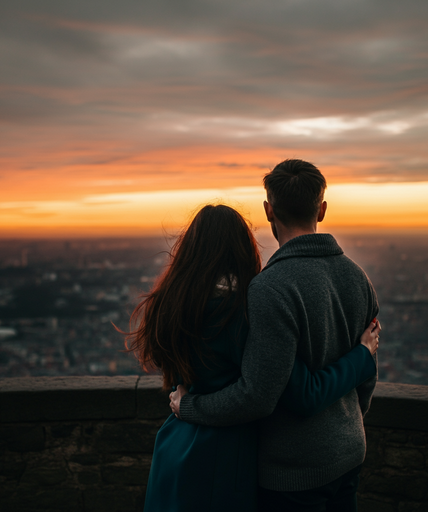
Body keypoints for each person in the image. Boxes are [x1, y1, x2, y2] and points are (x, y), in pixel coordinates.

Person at [127, 202, 380, 511]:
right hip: (228, 458)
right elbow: (303, 392)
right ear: (243, 250)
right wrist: (362, 355)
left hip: (175, 446)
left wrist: (187, 405)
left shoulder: (169, 306)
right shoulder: (243, 316)